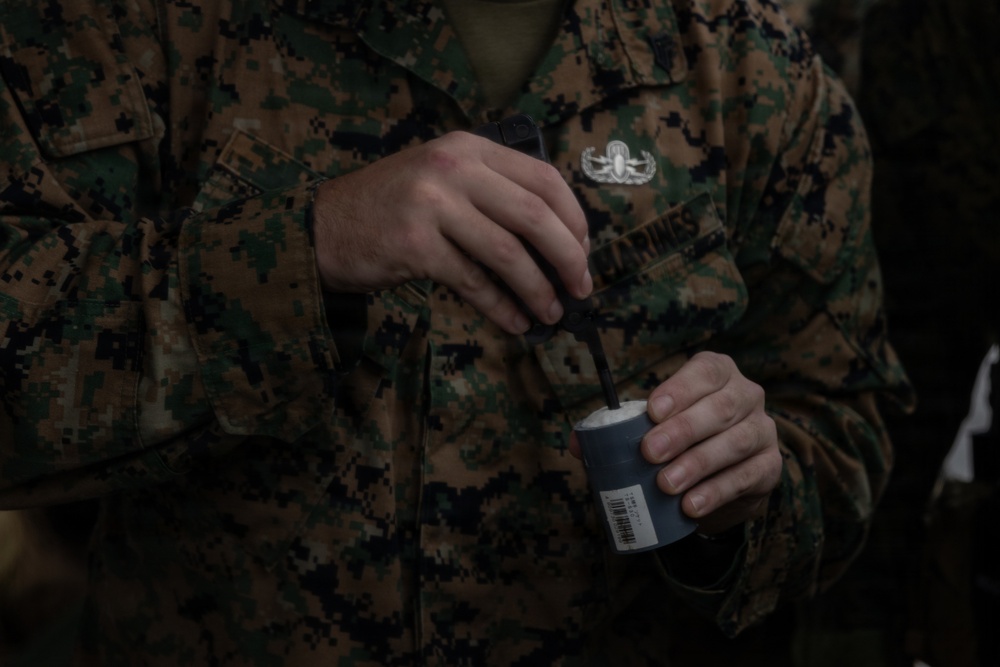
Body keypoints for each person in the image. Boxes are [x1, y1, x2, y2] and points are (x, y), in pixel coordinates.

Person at [0, 0, 911, 664]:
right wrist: (305, 252)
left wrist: (751, 484)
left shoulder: (751, 69)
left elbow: (843, 424)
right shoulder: (124, 29)